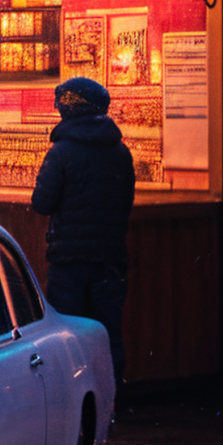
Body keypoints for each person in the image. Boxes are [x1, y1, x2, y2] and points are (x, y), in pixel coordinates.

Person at [32, 73, 136, 387]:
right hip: (109, 258)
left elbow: (42, 202)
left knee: (65, 334)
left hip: (68, 261)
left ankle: (71, 395)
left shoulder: (61, 153)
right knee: (108, 333)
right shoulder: (120, 152)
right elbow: (125, 205)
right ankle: (110, 395)